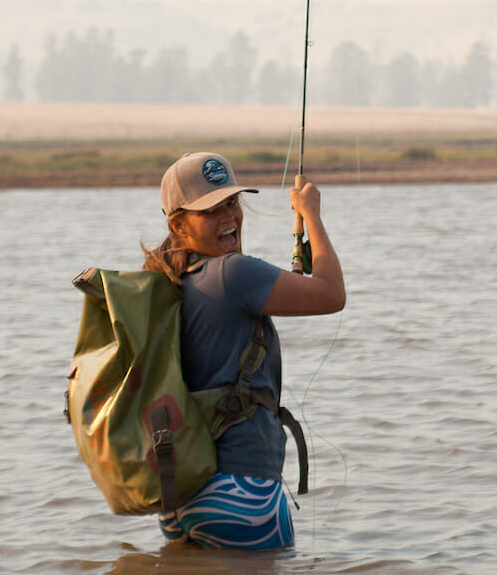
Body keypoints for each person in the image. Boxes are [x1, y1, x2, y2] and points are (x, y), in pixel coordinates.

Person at [142, 151, 345, 550]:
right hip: (242, 491)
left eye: (232, 202)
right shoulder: (233, 274)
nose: (229, 217)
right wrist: (311, 214)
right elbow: (331, 294)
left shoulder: (167, 281)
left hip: (177, 498)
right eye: (211, 210)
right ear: (178, 225)